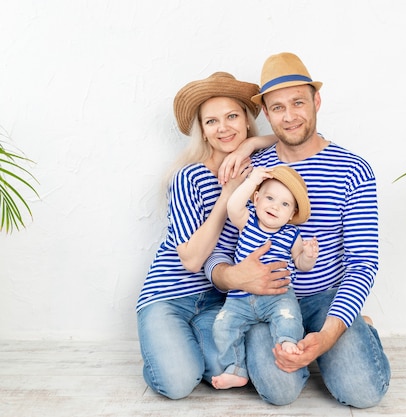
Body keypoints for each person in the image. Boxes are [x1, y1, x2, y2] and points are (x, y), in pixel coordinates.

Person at [205, 52, 391, 408]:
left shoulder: (354, 169)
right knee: (279, 393)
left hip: (326, 297)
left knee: (363, 394)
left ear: (316, 101)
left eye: (298, 103)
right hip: (263, 303)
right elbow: (221, 249)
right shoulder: (253, 170)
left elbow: (363, 262)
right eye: (277, 108)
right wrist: (234, 277)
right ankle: (309, 350)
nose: (289, 116)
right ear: (267, 115)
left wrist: (329, 333)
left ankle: (353, 328)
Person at [135, 71, 279, 400]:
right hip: (168, 297)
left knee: (228, 373)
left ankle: (185, 350)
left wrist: (253, 145)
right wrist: (227, 193)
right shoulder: (189, 176)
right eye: (211, 121)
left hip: (218, 301)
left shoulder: (255, 169)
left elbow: (290, 140)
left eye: (231, 116)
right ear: (203, 130)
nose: (223, 127)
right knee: (177, 383)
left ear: (246, 120)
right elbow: (191, 259)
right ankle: (162, 350)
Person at [211, 165, 319, 390]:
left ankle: (287, 341)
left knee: (288, 316)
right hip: (239, 298)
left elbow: (300, 264)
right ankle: (235, 368)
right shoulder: (247, 222)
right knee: (222, 326)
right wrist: (251, 181)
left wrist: (308, 255)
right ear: (257, 199)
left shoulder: (291, 234)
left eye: (285, 204)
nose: (275, 206)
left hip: (278, 295)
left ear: (291, 215)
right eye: (269, 198)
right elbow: (233, 205)